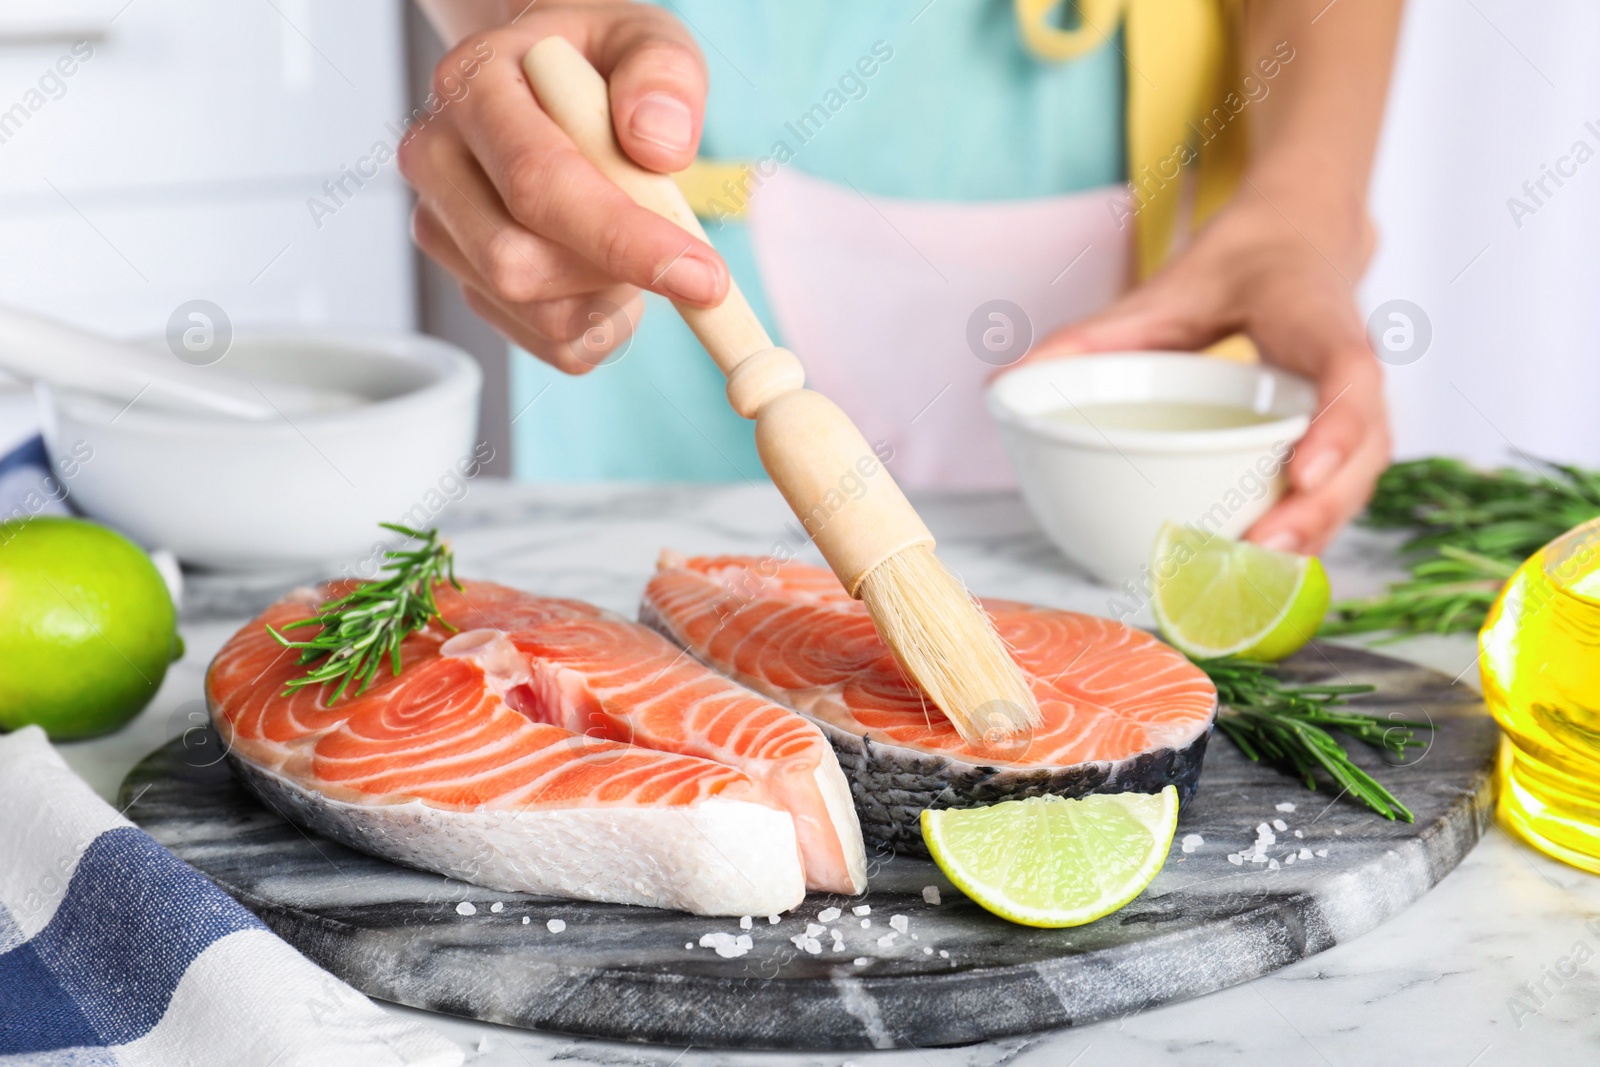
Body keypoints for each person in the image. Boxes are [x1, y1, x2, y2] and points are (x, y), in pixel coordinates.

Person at [402, 0, 1401, 557]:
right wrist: (525, 26)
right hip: (661, 193)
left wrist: (1306, 206)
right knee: (661, 639)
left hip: (1130, 200)